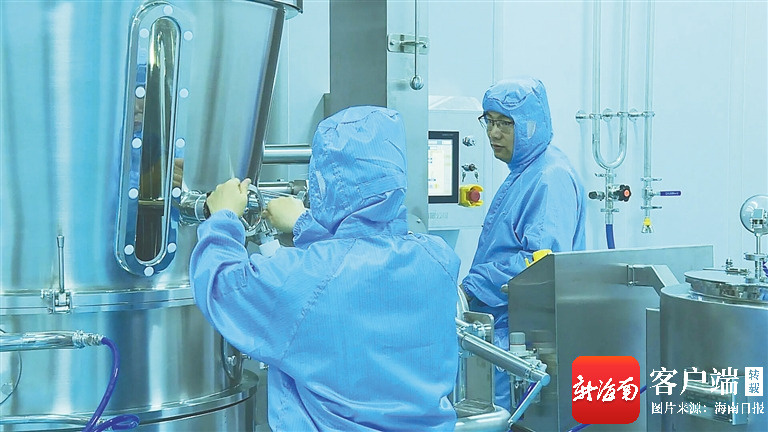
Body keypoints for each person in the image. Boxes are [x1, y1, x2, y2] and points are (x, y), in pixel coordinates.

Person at [189, 106, 461, 431]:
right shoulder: (439, 259)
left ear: (323, 181)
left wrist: (223, 217)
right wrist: (306, 224)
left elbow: (221, 285)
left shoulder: (303, 278)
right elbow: (357, 259)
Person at [460, 76, 586, 410]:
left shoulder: (549, 177)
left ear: (532, 124)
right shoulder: (524, 172)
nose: (493, 133)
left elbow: (540, 263)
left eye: (505, 123)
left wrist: (471, 288)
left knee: (508, 417)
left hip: (522, 336)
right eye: (489, 121)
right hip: (505, 327)